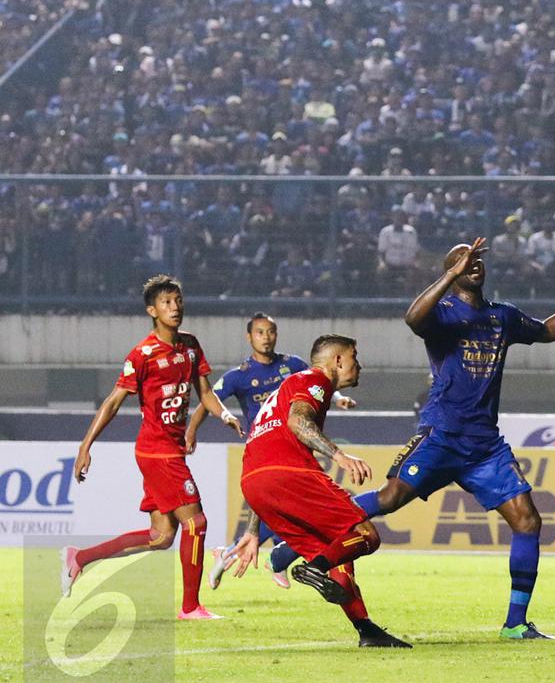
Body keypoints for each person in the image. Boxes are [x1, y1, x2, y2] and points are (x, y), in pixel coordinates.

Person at [275, 238, 555, 640]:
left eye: (476, 260)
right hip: (441, 434)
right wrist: (450, 274)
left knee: (527, 520)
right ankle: (294, 546)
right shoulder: (440, 313)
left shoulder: (501, 317)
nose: (471, 264)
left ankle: (515, 624)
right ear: (450, 270)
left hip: (484, 445)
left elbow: (546, 331)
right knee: (388, 499)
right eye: (461, 260)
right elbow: (412, 319)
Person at [64, 275, 243, 620]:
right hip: (156, 451)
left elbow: (205, 392)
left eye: (177, 301)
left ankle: (79, 558)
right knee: (196, 523)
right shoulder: (143, 354)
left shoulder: (190, 345)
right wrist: (86, 445)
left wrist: (224, 415)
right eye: (166, 303)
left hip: (171, 448)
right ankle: (190, 607)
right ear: (152, 310)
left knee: (161, 536)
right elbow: (114, 402)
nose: (174, 307)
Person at [228, 334, 410, 648]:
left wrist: (253, 529)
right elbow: (298, 421)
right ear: (338, 360)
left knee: (338, 544)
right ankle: (313, 568)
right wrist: (340, 455)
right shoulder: (316, 380)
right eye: (355, 356)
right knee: (366, 535)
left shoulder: (285, 389)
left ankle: (366, 630)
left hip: (254, 481)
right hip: (289, 473)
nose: (359, 364)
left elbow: (262, 457)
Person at [183, 312, 356, 591]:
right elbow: (208, 399)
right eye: (260, 332)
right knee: (298, 511)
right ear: (249, 337)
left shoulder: (293, 364)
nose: (266, 337)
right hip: (267, 447)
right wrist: (192, 430)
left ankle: (258, 555)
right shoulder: (239, 376)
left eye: (271, 332)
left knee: (282, 513)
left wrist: (338, 398)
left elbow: (323, 379)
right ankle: (271, 557)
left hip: (292, 446)